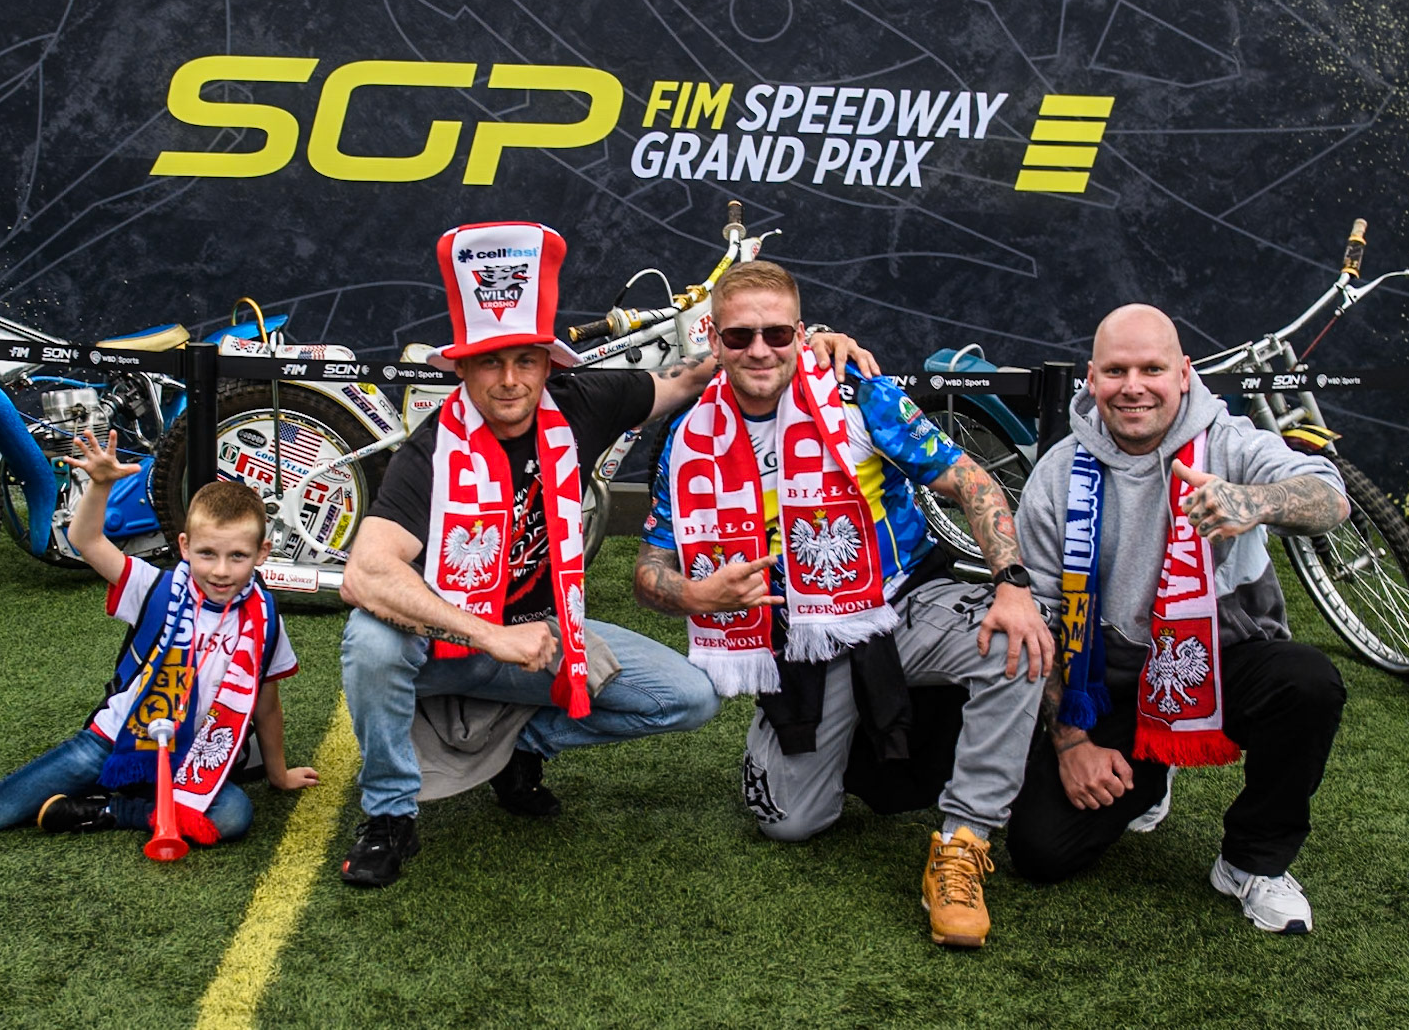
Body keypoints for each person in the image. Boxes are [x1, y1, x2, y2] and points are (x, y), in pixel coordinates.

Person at [337, 220, 876, 888]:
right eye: (489, 363)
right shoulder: (431, 451)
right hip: (449, 642)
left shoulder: (582, 403)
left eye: (525, 361)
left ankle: (515, 750)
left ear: (549, 364)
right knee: (371, 642)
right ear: (464, 369)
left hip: (544, 636)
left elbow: (711, 369)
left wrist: (814, 341)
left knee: (688, 698)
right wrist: (489, 635)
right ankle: (389, 813)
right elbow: (365, 574)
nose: (509, 381)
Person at [633, 261, 1051, 950]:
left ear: (801, 334)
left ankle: (962, 840)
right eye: (739, 336)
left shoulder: (857, 394)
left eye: (776, 333)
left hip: (901, 605)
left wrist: (1011, 582)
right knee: (787, 822)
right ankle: (841, 737)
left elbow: (969, 479)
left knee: (1013, 641)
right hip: (800, 638)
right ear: (714, 339)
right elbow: (650, 567)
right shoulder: (687, 433)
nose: (759, 350)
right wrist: (695, 594)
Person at [1006, 304, 1349, 935]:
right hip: (1107, 680)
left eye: (1152, 369)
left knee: (1307, 683)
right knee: (1040, 850)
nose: (1133, 386)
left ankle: (1252, 861)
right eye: (1116, 371)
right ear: (1091, 378)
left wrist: (1254, 501)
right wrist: (1072, 744)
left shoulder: (1228, 441)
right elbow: (1042, 620)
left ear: (1184, 373)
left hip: (1221, 659)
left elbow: (1330, 497)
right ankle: (1150, 770)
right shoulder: (1056, 475)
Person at [0, 431, 319, 843]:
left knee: (233, 816)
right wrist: (99, 486)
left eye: (237, 556)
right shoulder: (155, 587)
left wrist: (278, 774)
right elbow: (87, 541)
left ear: (262, 553)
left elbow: (266, 703)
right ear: (185, 546)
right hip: (114, 740)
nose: (221, 570)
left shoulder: (264, 618)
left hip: (187, 757)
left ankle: (103, 810)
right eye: (208, 553)